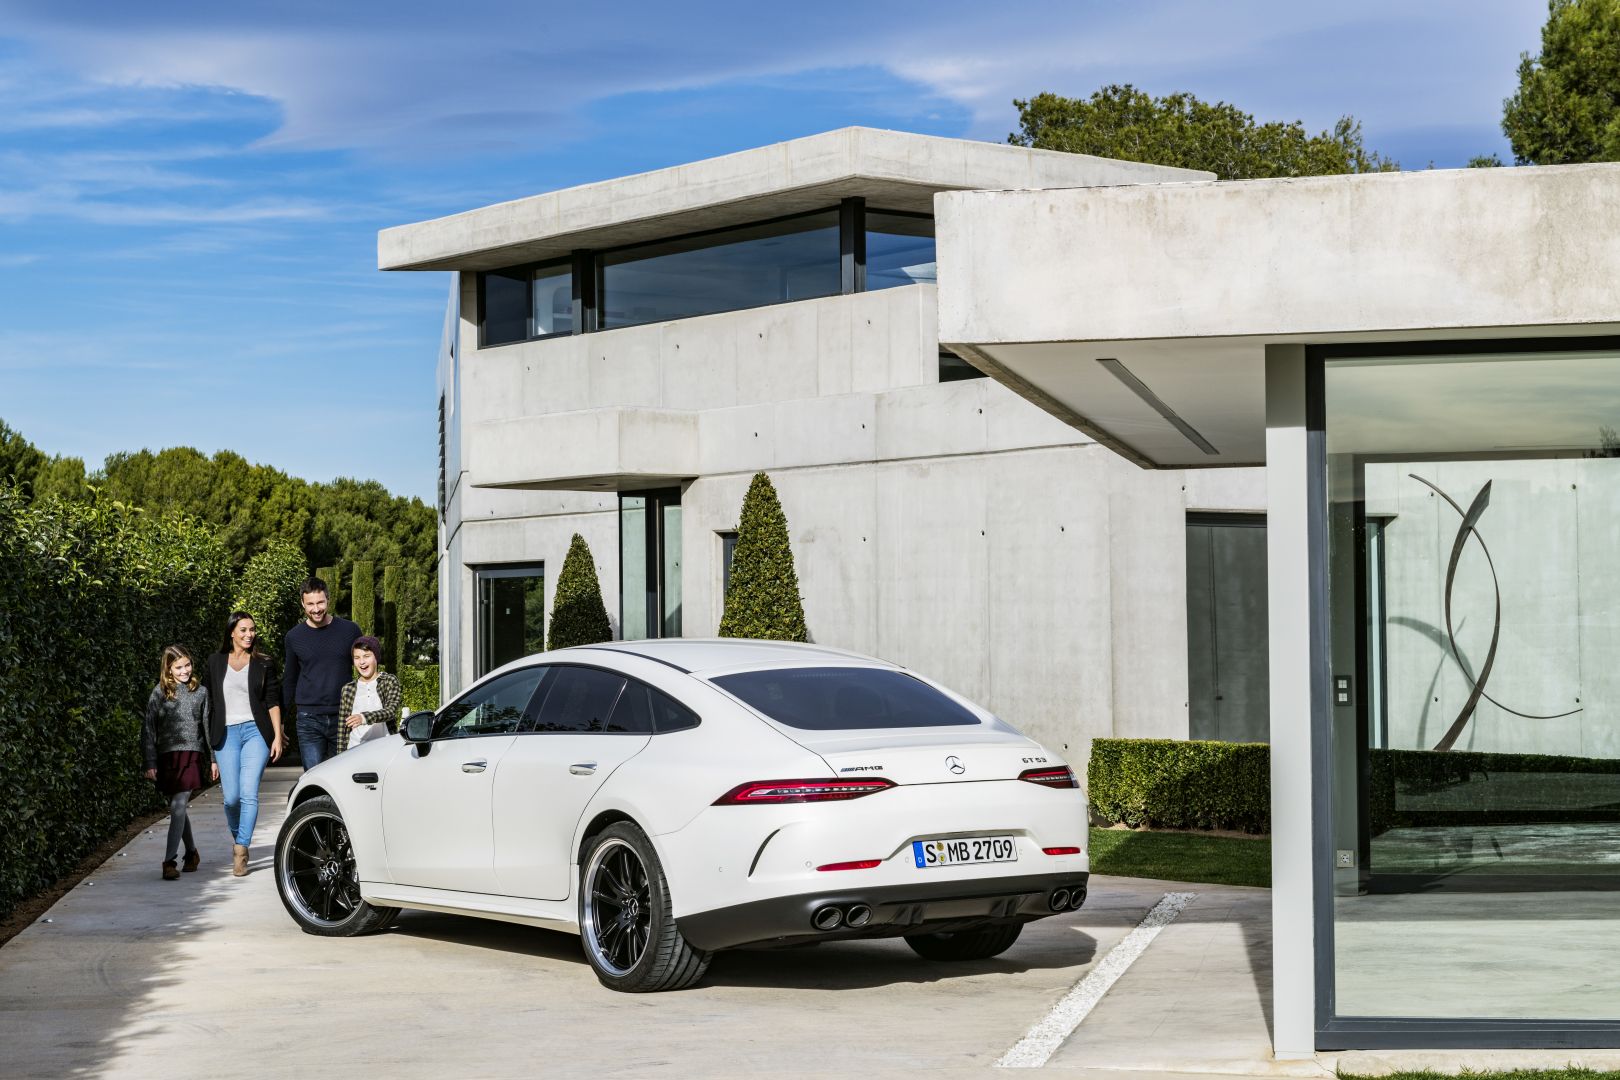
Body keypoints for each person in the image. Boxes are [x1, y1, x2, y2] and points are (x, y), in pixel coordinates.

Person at [206, 612, 284, 877]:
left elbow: (273, 701)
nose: (249, 635)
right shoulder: (215, 663)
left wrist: (276, 736)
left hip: (255, 733)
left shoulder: (263, 663)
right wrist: (211, 754)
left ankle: (241, 849)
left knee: (249, 793)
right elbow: (210, 706)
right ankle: (240, 837)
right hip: (225, 734)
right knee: (231, 799)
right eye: (243, 630)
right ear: (231, 633)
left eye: (252, 630)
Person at [142, 646, 217, 880]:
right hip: (167, 757)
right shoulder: (159, 693)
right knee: (179, 809)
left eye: (187, 665)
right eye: (178, 667)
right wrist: (149, 762)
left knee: (178, 805)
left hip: (191, 754)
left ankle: (169, 861)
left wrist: (214, 759)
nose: (185, 671)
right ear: (169, 669)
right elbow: (148, 729)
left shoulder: (201, 692)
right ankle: (192, 853)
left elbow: (207, 727)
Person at [283, 576, 360, 769]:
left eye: (320, 602)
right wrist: (281, 721)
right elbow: (289, 680)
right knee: (314, 778)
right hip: (309, 719)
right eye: (310, 604)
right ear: (302, 603)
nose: (316, 609)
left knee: (343, 775)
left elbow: (364, 670)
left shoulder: (350, 630)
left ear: (328, 599)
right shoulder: (293, 637)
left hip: (344, 717)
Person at [337, 635, 403, 753]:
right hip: (354, 749)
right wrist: (340, 757)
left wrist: (363, 717)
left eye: (366, 656)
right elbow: (343, 729)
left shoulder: (389, 681)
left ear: (376, 657)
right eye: (357, 657)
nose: (361, 662)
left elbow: (391, 711)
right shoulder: (348, 689)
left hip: (384, 749)